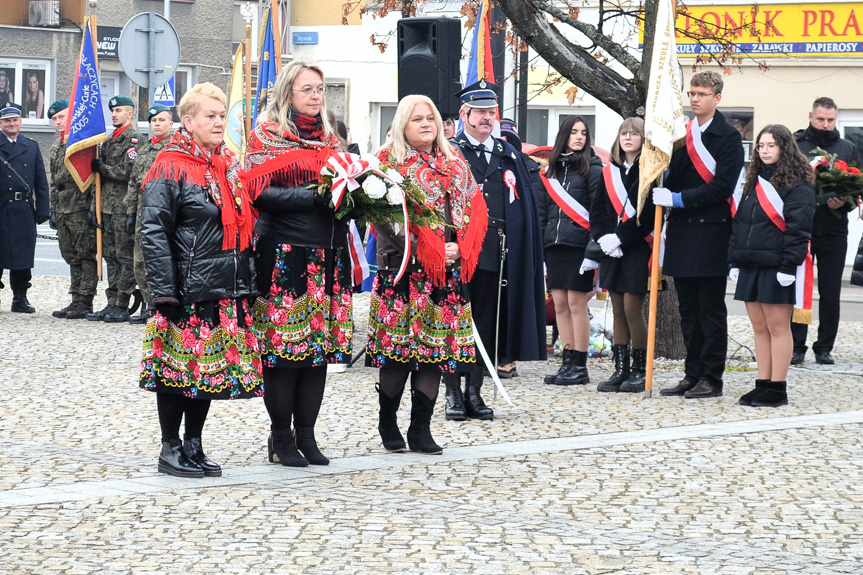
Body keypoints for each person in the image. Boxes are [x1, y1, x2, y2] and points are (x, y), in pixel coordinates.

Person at [139, 82, 262, 478]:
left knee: (206, 372)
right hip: (185, 288)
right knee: (177, 371)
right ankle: (170, 447)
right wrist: (164, 290)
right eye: (210, 115)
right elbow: (153, 230)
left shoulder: (227, 162)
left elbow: (244, 226)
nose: (218, 122)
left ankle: (194, 443)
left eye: (222, 115)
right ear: (188, 121)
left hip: (222, 284)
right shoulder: (170, 164)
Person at [243, 61, 352, 468]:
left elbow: (345, 190)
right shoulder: (267, 135)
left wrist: (357, 200)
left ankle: (307, 433)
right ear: (289, 92)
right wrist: (312, 198)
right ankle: (281, 436)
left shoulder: (332, 138)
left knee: (318, 352)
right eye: (307, 89)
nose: (315, 96)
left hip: (328, 253)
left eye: (320, 89)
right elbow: (257, 191)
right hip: (285, 253)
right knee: (285, 352)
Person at [368, 94, 487, 453]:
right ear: (402, 123)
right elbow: (383, 219)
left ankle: (421, 427)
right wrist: (427, 248)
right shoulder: (386, 163)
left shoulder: (455, 164)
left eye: (430, 118)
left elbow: (473, 212)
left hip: (443, 277)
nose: (425, 124)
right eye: (417, 118)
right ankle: (387, 420)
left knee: (435, 353)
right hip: (402, 272)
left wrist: (459, 247)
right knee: (397, 355)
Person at [449, 79, 546, 420]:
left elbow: (524, 207)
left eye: (491, 112)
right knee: (457, 323)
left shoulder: (508, 154)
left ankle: (474, 392)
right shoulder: (450, 151)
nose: (487, 118)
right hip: (459, 252)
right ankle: (452, 394)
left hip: (495, 253)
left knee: (488, 323)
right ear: (464, 114)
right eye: (480, 112)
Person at [653, 71, 744, 399]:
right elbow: (674, 175)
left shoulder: (728, 138)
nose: (694, 99)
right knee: (688, 311)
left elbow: (722, 188)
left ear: (716, 98)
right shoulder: (682, 134)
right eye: (691, 93)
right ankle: (692, 375)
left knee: (710, 312)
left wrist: (678, 200)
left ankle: (711, 378)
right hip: (682, 235)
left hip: (711, 235)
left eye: (702, 94)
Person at [728, 125, 815, 408]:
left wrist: (789, 266)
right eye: (761, 146)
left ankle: (778, 388)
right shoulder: (754, 182)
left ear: (784, 148)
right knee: (759, 327)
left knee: (778, 327)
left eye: (771, 145)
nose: (765, 151)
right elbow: (740, 224)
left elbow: (798, 229)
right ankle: (762, 383)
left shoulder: (798, 185)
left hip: (777, 265)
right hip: (751, 263)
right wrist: (734, 259)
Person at [790, 97, 861, 365]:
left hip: (834, 229)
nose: (826, 124)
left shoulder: (848, 148)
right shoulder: (797, 146)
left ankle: (824, 347)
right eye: (821, 119)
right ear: (811, 116)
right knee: (799, 288)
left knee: (831, 291)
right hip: (803, 229)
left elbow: (856, 188)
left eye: (831, 120)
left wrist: (844, 202)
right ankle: (797, 346)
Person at [589, 117, 656, 393]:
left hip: (636, 247)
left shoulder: (650, 170)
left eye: (634, 134)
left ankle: (640, 370)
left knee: (631, 308)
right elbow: (598, 208)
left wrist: (621, 237)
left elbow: (649, 214)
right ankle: (621, 369)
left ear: (643, 138)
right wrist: (604, 237)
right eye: (624, 133)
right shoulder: (609, 171)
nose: (628, 138)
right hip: (610, 248)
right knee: (617, 309)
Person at [536, 115, 602, 386]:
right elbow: (542, 213)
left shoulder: (593, 168)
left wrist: (593, 250)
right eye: (574, 132)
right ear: (564, 135)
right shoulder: (549, 171)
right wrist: (540, 252)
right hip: (555, 245)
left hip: (580, 246)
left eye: (583, 133)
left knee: (577, 304)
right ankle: (567, 361)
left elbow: (599, 212)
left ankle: (580, 364)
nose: (579, 137)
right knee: (560, 304)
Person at [87, 95, 141, 323]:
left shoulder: (134, 141)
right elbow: (98, 182)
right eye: (112, 111)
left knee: (124, 256)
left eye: (119, 110)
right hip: (106, 207)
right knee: (110, 256)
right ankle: (111, 302)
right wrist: (93, 208)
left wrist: (104, 168)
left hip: (122, 206)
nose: (114, 114)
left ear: (130, 114)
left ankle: (122, 302)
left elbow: (128, 173)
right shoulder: (108, 141)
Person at [47, 99, 97, 319]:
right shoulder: (56, 146)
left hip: (79, 206)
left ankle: (85, 301)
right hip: (63, 208)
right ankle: (75, 297)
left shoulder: (82, 144)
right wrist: (53, 210)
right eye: (54, 119)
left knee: (85, 254)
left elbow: (94, 180)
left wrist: (92, 209)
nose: (58, 122)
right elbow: (54, 183)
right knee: (70, 255)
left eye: (61, 117)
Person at [123, 104, 173, 324]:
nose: (157, 124)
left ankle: (158, 307)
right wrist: (130, 213)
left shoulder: (173, 149)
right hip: (142, 213)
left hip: (162, 213)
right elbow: (134, 183)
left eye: (161, 120)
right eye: (153, 121)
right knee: (140, 263)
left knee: (158, 261)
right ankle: (148, 304)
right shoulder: (144, 150)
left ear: (171, 124)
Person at [0, 103, 50, 312]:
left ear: (20, 122)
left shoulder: (31, 146)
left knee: (22, 256)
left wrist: (43, 210)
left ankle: (20, 297)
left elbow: (41, 182)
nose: (12, 124)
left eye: (15, 120)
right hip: (1, 206)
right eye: (7, 121)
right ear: (1, 123)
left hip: (23, 207)